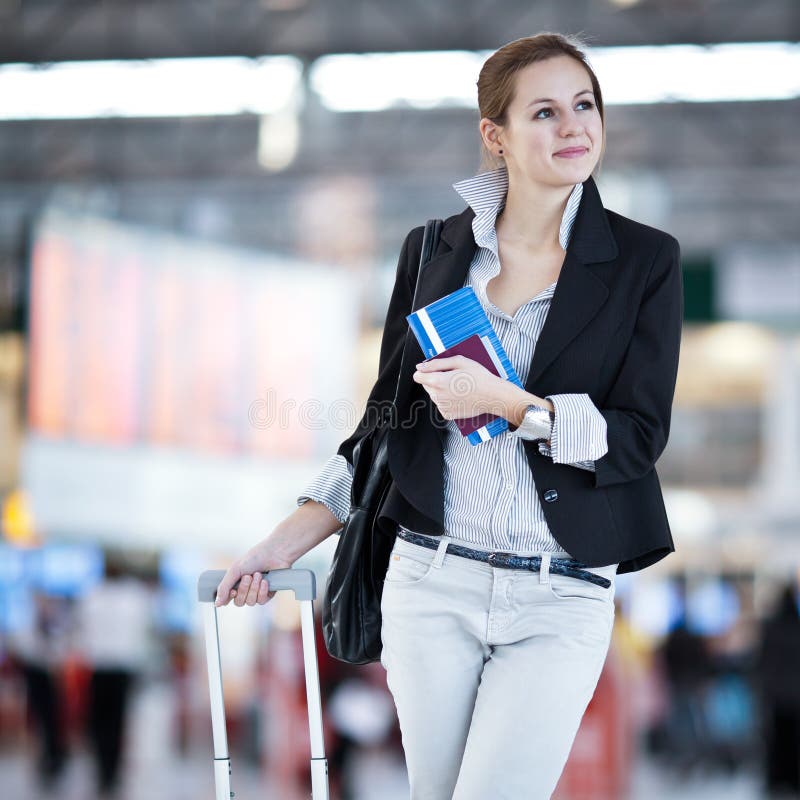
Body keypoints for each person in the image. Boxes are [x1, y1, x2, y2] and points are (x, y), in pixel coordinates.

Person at [216, 31, 684, 799]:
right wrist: (280, 543)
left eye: (585, 105)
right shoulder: (433, 251)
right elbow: (383, 432)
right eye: (545, 112)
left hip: (560, 593)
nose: (574, 127)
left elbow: (636, 438)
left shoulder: (643, 262)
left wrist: (511, 405)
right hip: (430, 584)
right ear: (494, 135)